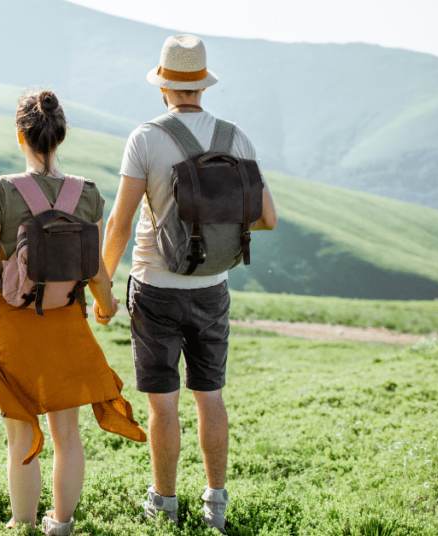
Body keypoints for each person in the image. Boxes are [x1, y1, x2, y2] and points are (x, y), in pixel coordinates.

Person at [0, 89, 146, 535]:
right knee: (68, 437)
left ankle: (20, 524)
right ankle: (60, 524)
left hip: (12, 333)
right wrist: (105, 307)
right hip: (66, 328)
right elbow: (96, 271)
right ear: (60, 136)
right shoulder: (88, 196)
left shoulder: (2, 192)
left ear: (20, 135)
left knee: (22, 438)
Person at [101, 35, 277, 533]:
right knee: (211, 396)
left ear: (163, 86)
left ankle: (164, 504)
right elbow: (266, 218)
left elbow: (119, 223)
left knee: (164, 403)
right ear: (202, 85)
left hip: (155, 287)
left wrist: (102, 286)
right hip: (213, 288)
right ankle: (216, 504)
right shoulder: (235, 137)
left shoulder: (146, 138)